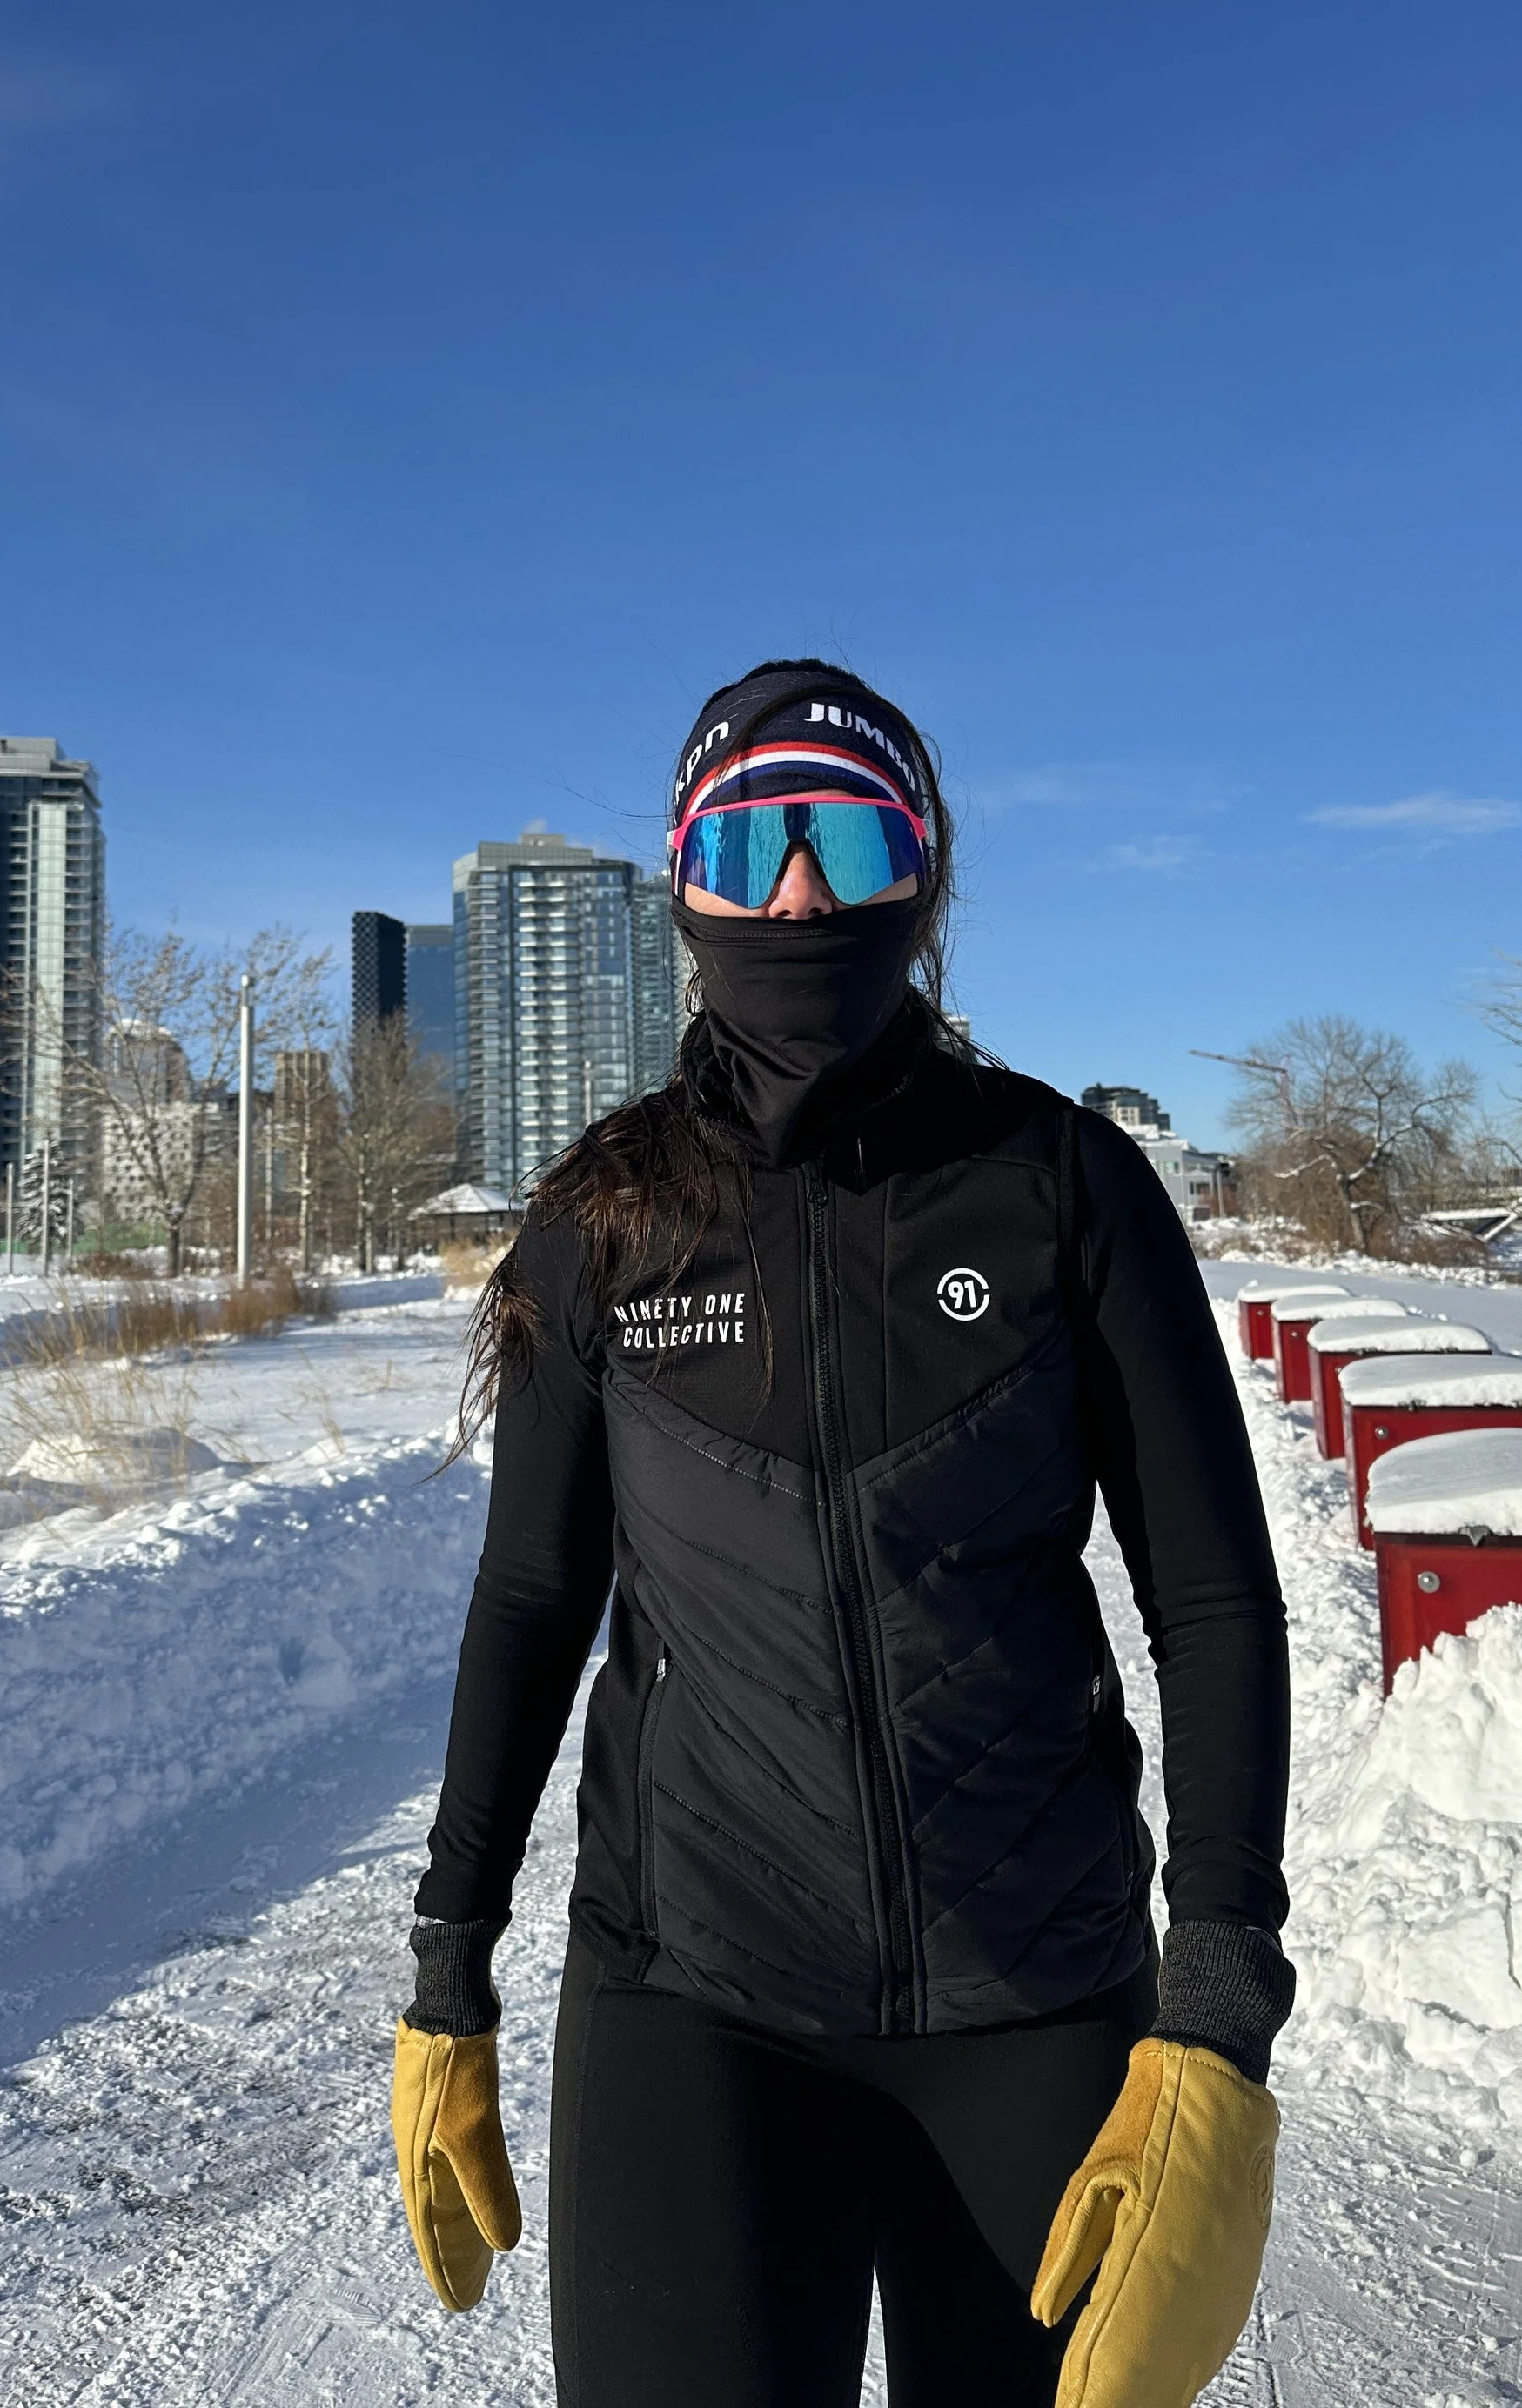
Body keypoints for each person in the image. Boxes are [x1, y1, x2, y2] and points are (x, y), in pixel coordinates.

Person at [391, 661, 1291, 2408]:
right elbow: (531, 1598)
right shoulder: (601, 1220)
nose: (801, 892)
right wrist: (449, 1966)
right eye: (751, 843)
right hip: (693, 1996)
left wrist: (1217, 2007)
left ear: (924, 877)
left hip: (1038, 1994)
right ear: (687, 889)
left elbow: (1212, 1600)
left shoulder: (1063, 1185)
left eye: (851, 840)